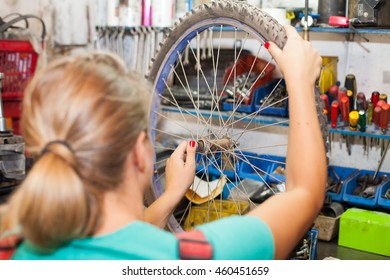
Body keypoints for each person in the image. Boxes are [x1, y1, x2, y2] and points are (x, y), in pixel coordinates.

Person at [0, 25, 326, 260]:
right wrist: (298, 79)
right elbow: (305, 193)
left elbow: (116, 236)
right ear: (140, 154)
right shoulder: (192, 260)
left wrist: (171, 195)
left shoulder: (13, 244)